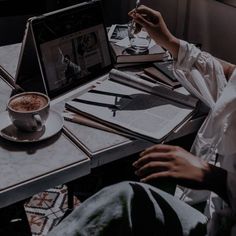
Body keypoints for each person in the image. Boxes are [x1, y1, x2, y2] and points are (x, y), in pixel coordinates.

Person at [48, 5, 236, 236]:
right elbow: (231, 74)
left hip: (219, 220)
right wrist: (168, 40)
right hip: (213, 198)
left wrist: (215, 178)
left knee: (123, 196)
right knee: (118, 176)